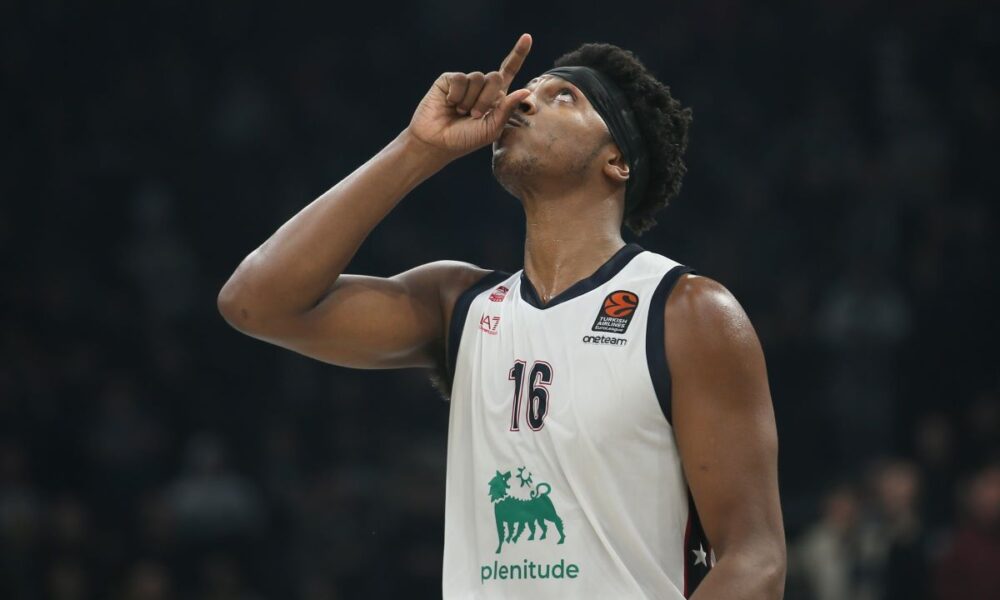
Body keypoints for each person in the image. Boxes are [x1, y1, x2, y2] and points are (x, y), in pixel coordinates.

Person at [218, 33, 785, 599]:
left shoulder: (686, 311)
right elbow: (254, 302)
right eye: (527, 90)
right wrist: (418, 148)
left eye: (564, 96)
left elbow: (755, 561)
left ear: (616, 161)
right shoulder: (458, 305)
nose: (522, 100)